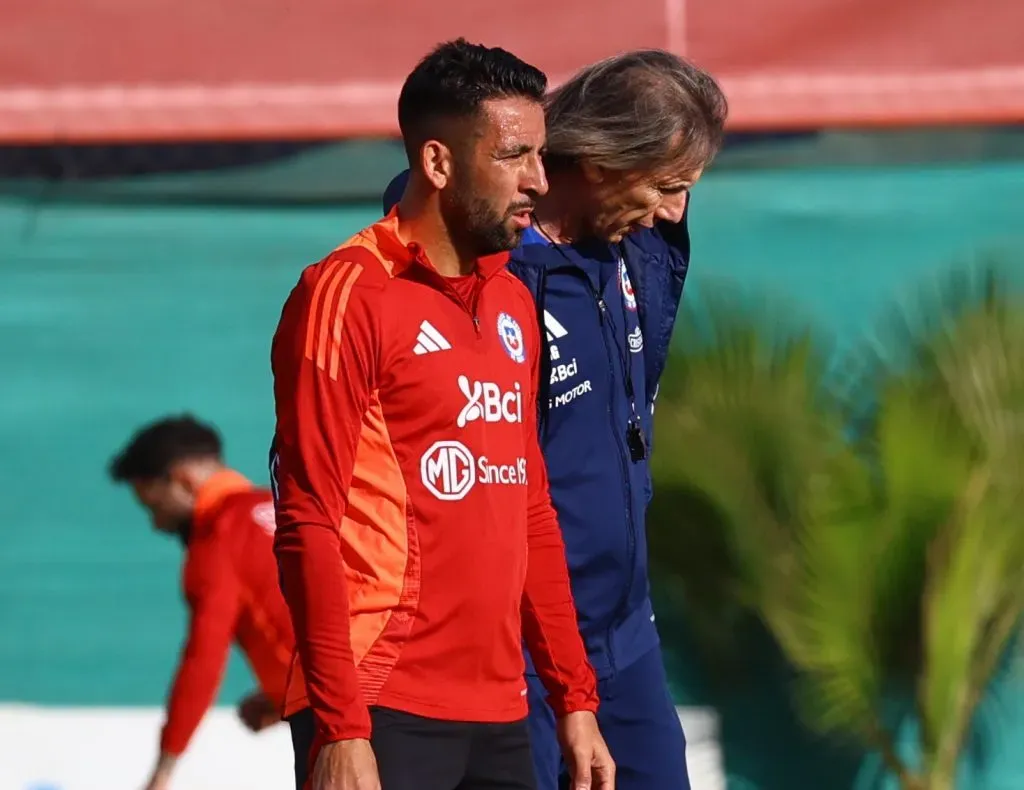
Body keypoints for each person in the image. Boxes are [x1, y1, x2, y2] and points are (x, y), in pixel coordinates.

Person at [269, 39, 613, 790]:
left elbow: (530, 510)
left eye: (541, 156)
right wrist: (341, 725)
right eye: (515, 156)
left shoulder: (514, 302)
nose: (538, 182)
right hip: (379, 703)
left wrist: (574, 701)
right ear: (437, 163)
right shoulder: (346, 293)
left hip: (498, 713)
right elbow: (308, 520)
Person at [383, 50, 728, 790]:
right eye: (666, 187)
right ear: (600, 162)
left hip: (625, 634)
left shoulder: (643, 243)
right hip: (521, 644)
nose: (674, 211)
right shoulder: (474, 270)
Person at [108, 415, 295, 790]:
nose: (157, 525)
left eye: (154, 506)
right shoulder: (287, 506)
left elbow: (204, 659)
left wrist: (163, 771)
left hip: (344, 724)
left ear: (182, 480)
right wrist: (283, 697)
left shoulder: (217, 539)